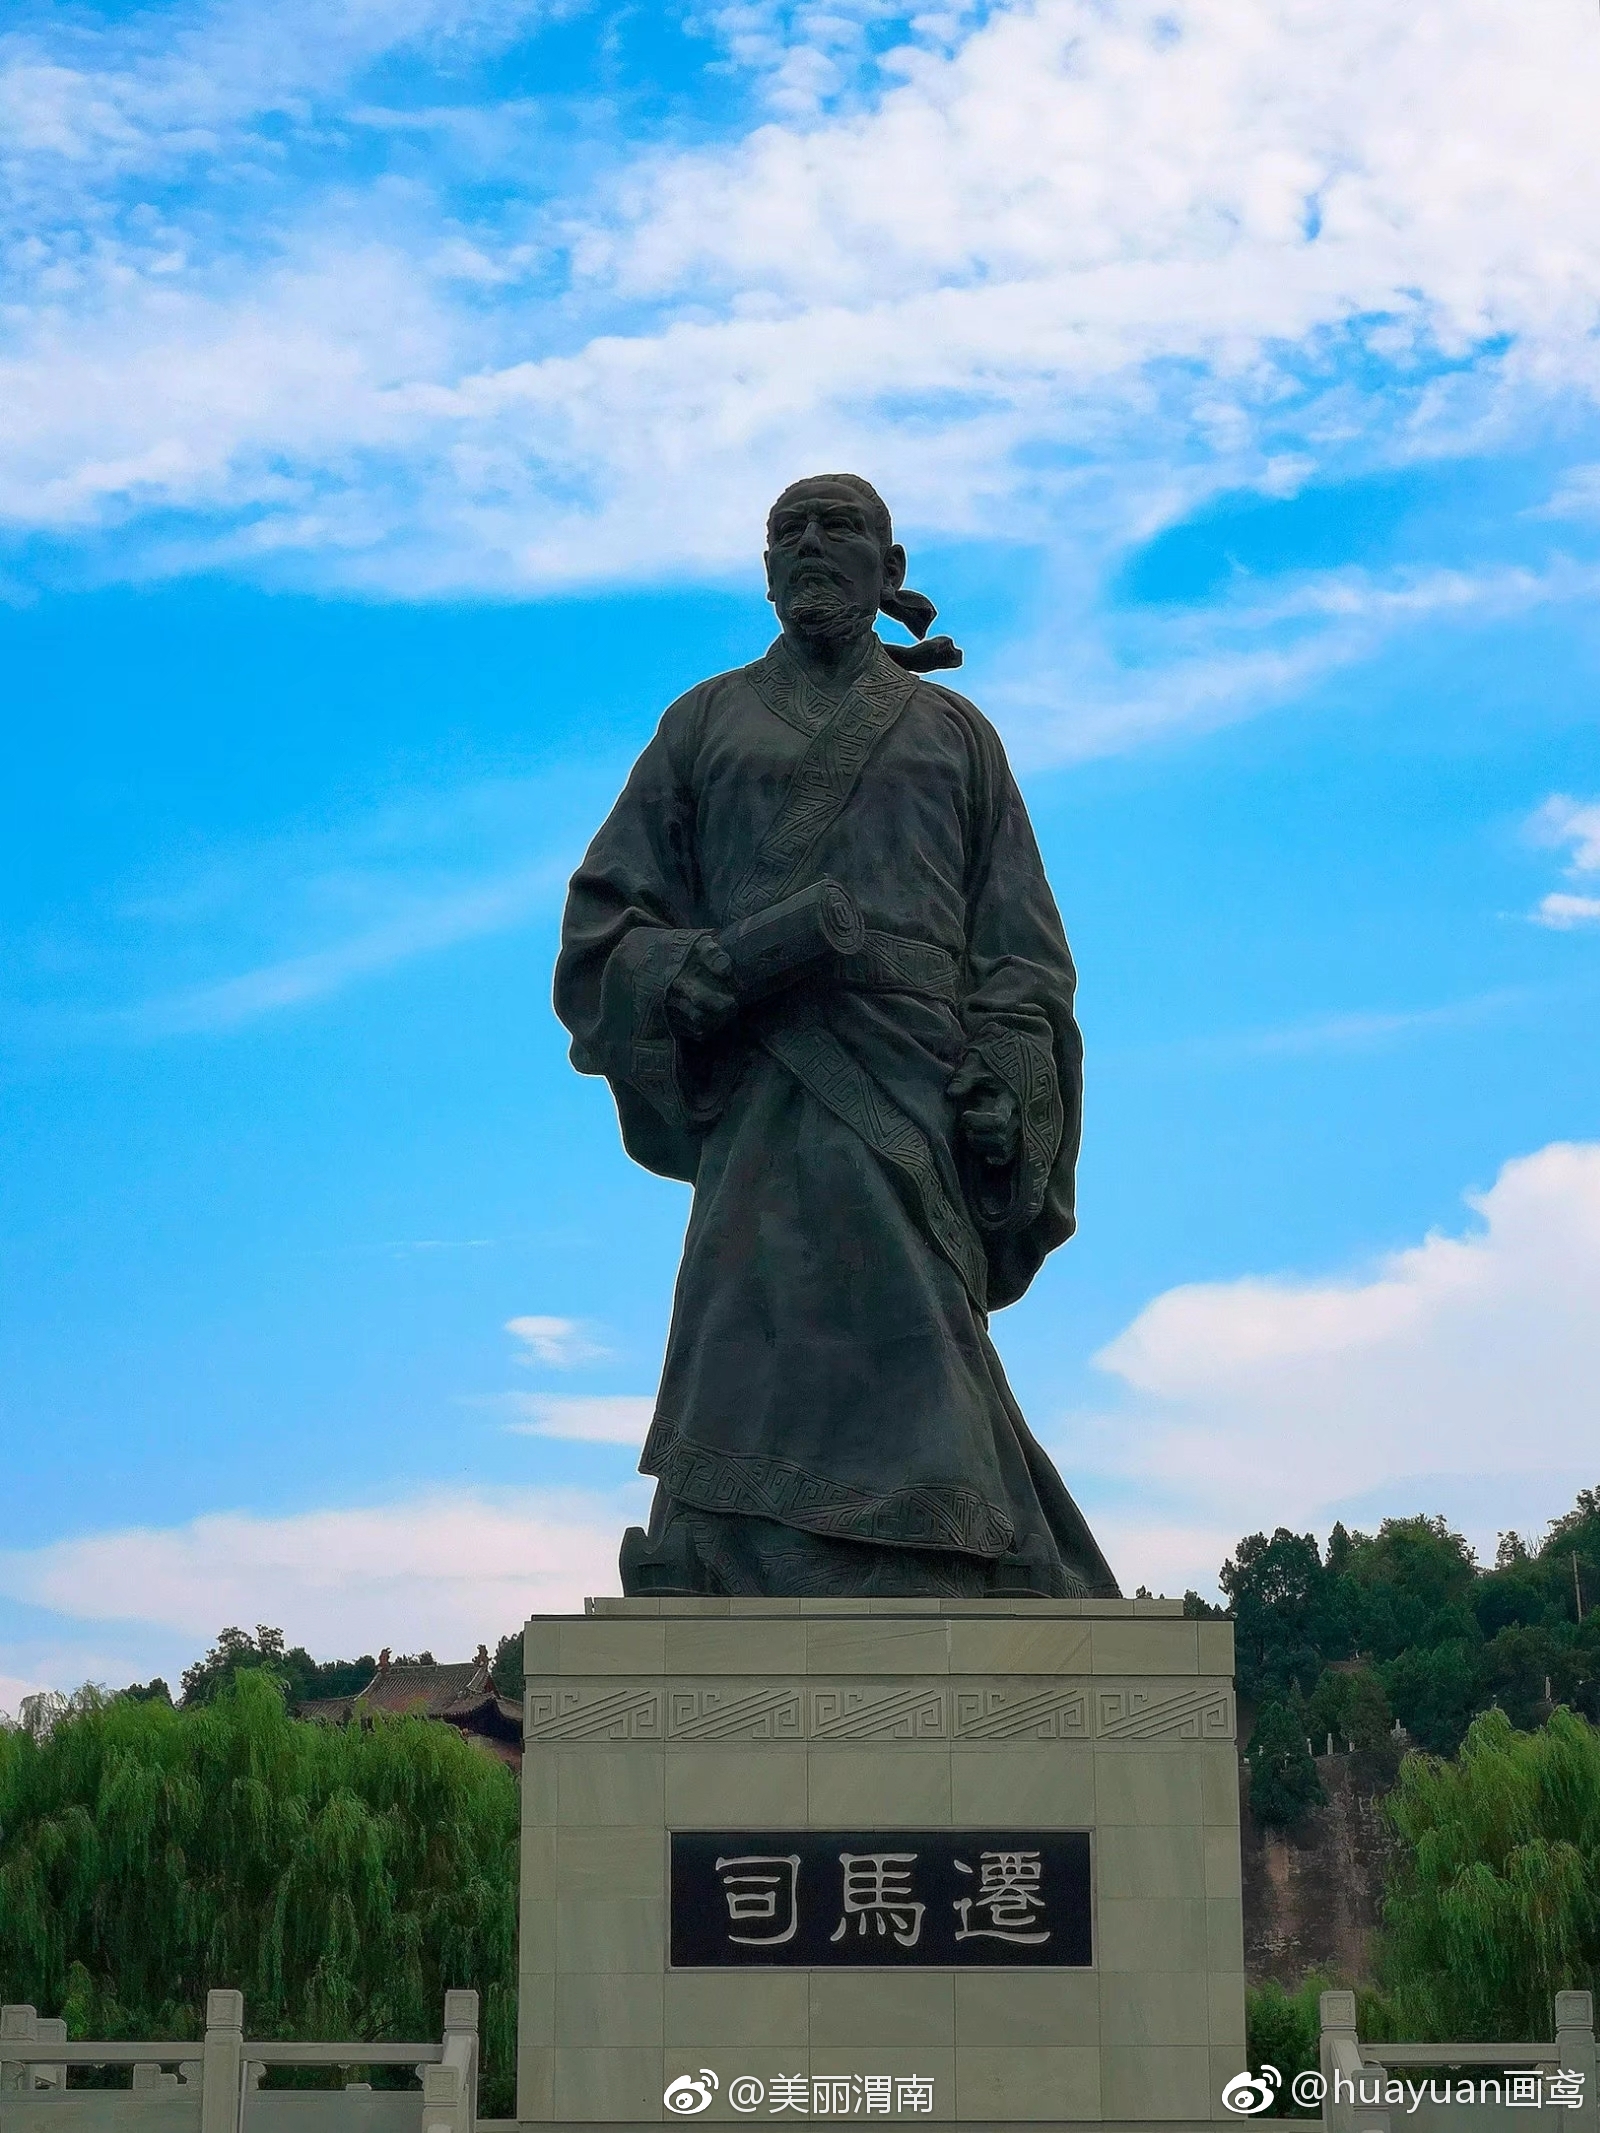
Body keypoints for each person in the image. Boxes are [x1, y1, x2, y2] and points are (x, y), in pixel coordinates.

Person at [554, 474, 1118, 1598]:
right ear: (765, 572)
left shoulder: (957, 738)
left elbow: (1020, 954)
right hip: (764, 1087)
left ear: (890, 569)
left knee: (918, 1318)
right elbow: (605, 922)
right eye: (786, 532)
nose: (810, 545)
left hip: (911, 1091)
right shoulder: (703, 722)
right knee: (747, 1319)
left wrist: (1011, 1078)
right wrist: (684, 977)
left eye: (839, 527)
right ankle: (717, 1544)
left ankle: (954, 1543)